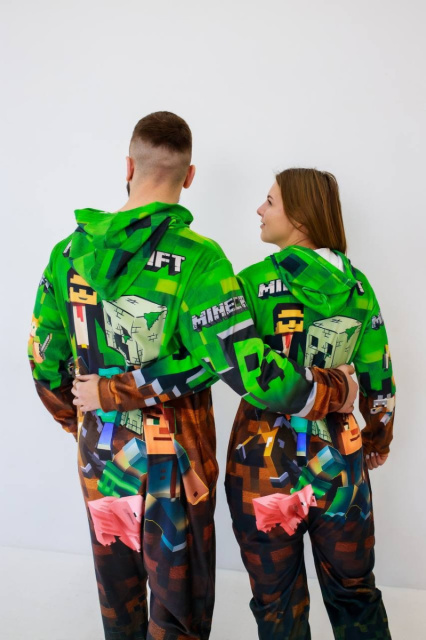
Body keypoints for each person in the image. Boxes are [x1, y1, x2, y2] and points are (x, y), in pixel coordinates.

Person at [28, 113, 354, 640]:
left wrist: (84, 416)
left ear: (128, 166)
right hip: (178, 471)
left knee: (118, 602)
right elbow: (244, 370)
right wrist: (338, 389)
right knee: (180, 613)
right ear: (190, 175)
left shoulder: (68, 255)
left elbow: (44, 360)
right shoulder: (201, 262)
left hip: (100, 458)